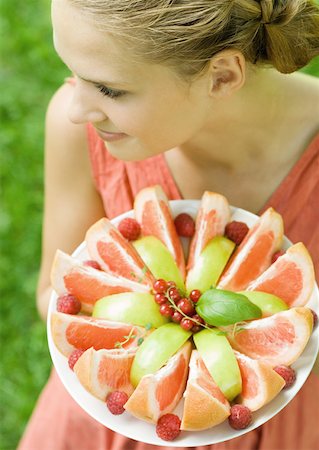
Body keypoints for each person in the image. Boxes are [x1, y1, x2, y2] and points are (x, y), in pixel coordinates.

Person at [18, 0, 319, 449]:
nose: (77, 108)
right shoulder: (75, 128)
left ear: (222, 76)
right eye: (72, 70)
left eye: (108, 89)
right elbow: (53, 296)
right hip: (117, 415)